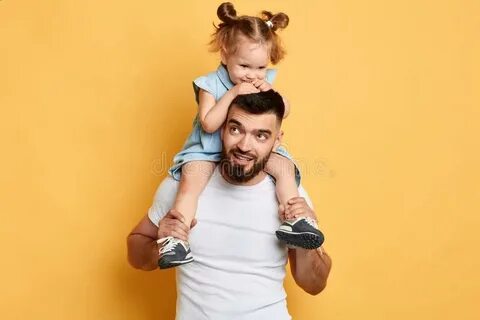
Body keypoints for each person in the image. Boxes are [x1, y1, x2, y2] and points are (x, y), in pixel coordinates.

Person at [127, 90, 332, 319]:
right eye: (236, 129)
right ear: (222, 129)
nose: (244, 145)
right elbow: (136, 255)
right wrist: (161, 245)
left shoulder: (291, 196)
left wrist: (305, 243)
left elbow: (314, 284)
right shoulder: (183, 189)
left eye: (261, 135)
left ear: (277, 141)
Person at [160, 1, 324, 269]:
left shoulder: (262, 81)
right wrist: (233, 93)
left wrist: (269, 89)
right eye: (245, 66)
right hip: (206, 150)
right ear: (225, 55)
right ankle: (175, 240)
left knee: (284, 166)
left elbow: (286, 110)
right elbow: (210, 124)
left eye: (260, 68)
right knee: (189, 186)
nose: (252, 75)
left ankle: (297, 218)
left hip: (244, 153)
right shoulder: (210, 84)